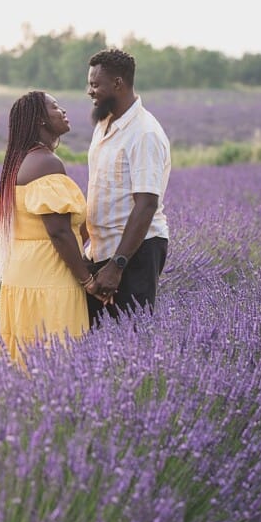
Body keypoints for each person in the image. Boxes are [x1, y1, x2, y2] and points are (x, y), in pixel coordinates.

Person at [0, 90, 97, 367]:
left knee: (27, 361)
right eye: (55, 107)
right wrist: (87, 280)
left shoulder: (18, 162)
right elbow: (58, 232)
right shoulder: (47, 163)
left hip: (22, 276)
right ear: (40, 119)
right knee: (58, 357)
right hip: (50, 278)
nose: (63, 111)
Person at [83, 48, 170, 322]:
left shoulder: (144, 133)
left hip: (134, 253)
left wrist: (117, 265)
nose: (90, 91)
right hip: (102, 250)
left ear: (118, 84)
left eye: (95, 84)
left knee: (131, 336)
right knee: (97, 338)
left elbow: (146, 204)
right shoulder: (104, 124)